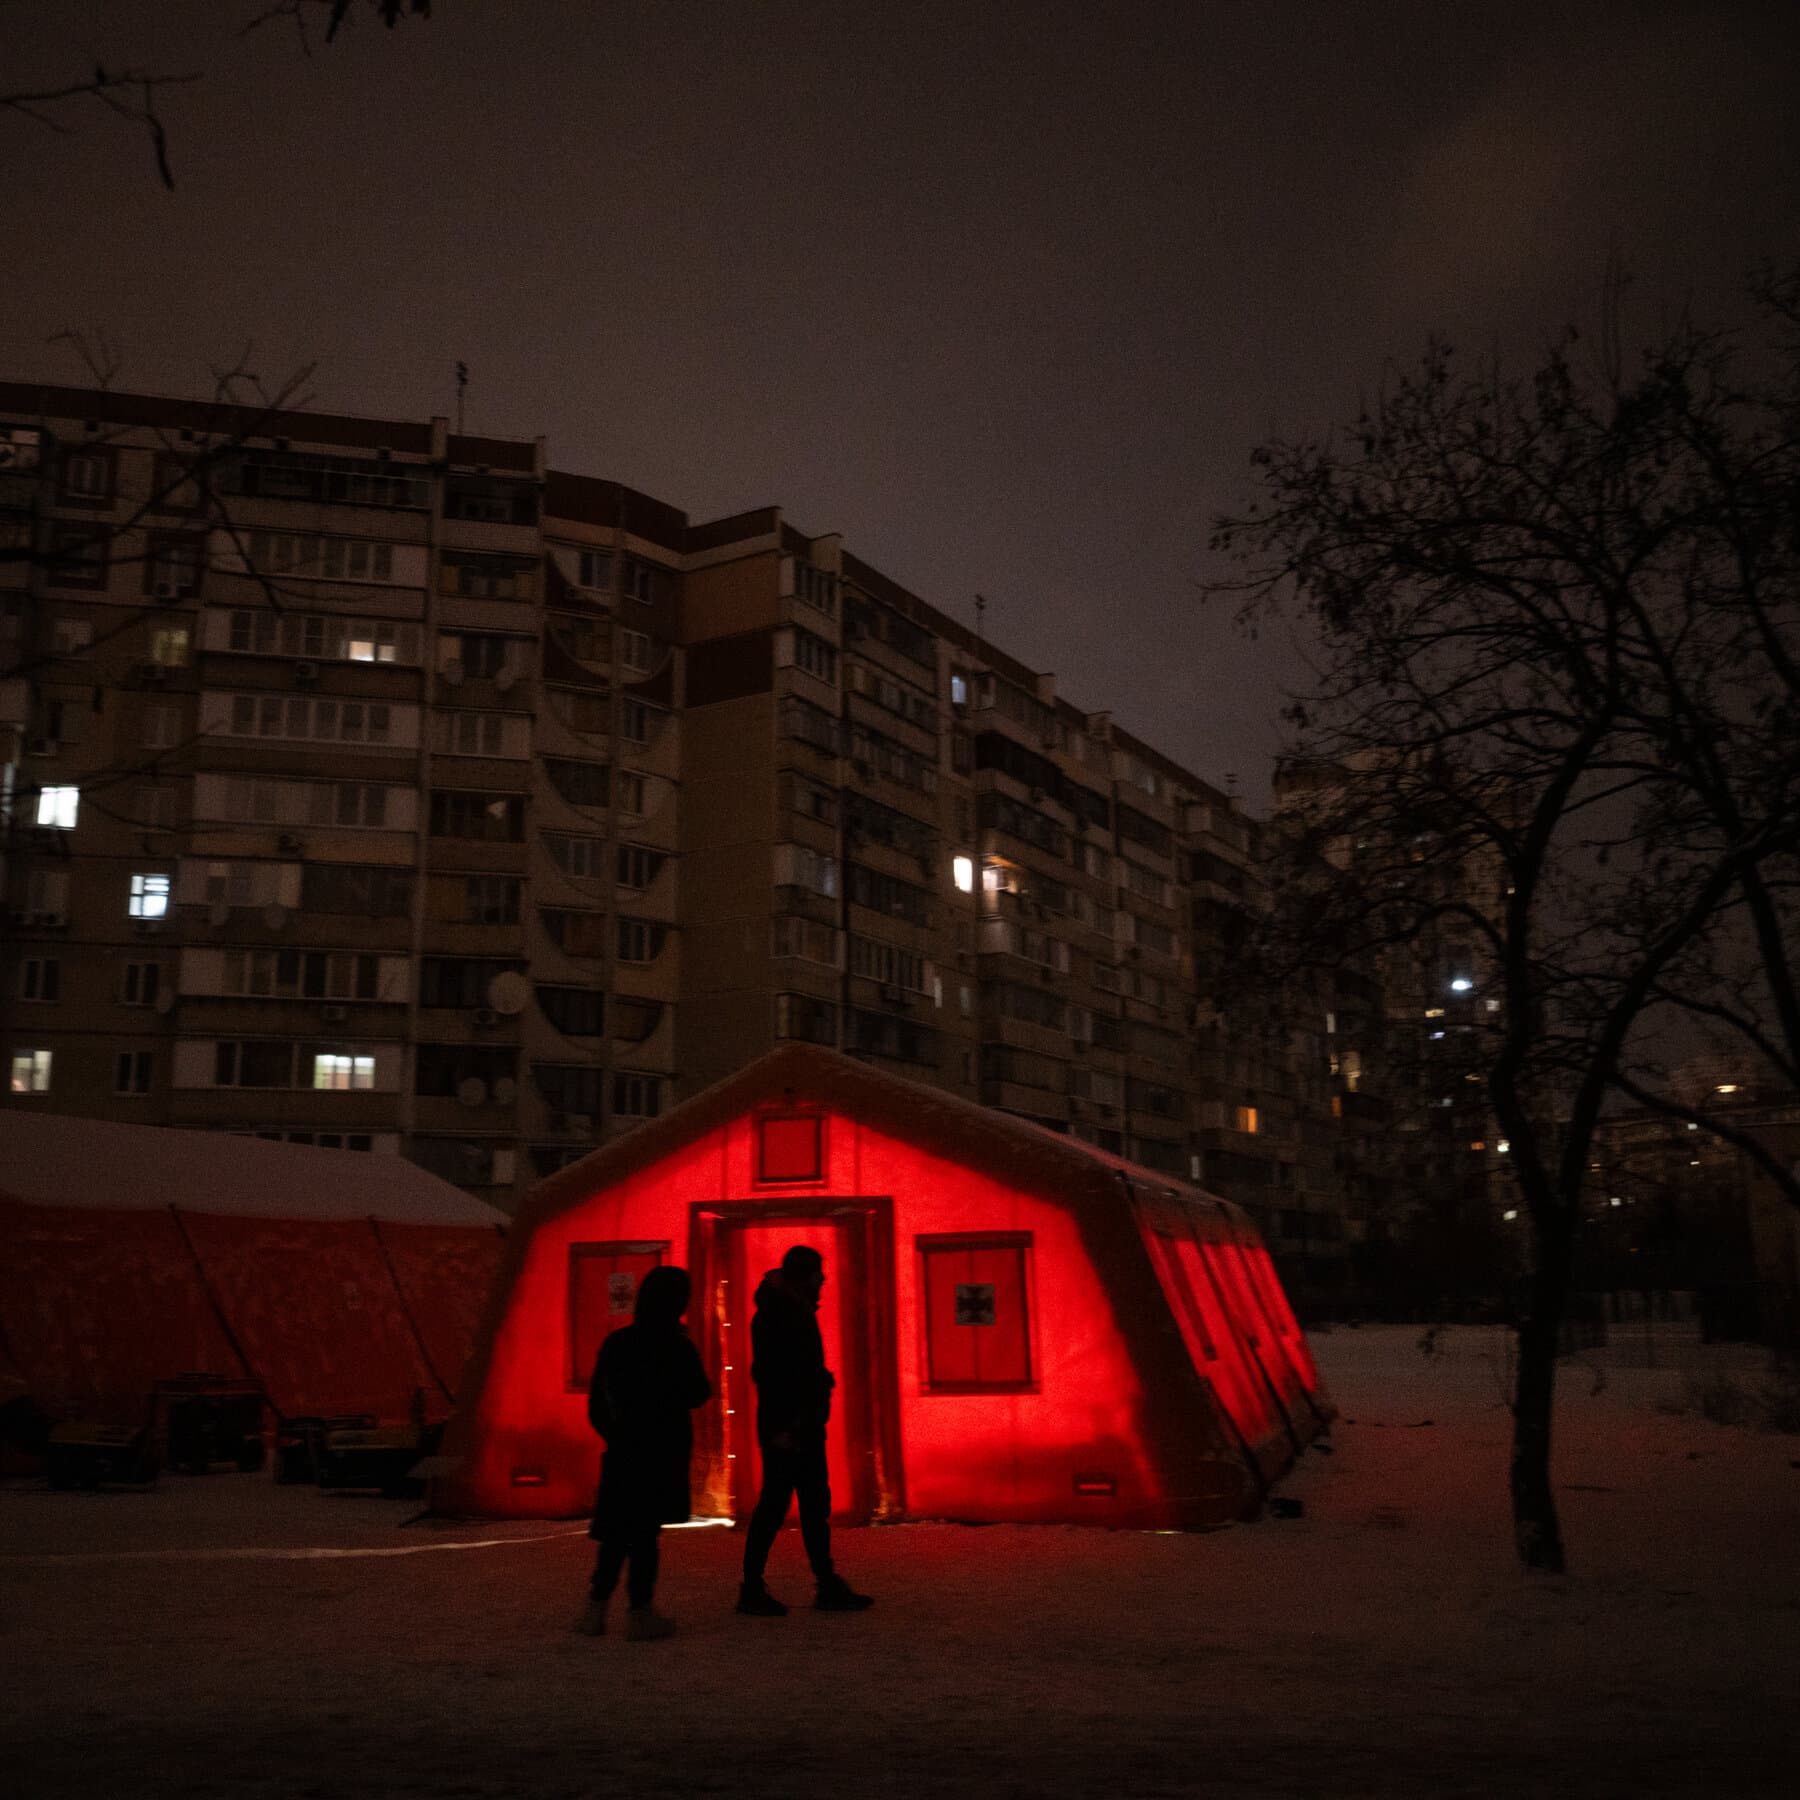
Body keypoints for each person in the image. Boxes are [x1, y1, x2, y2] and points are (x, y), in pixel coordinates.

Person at [575, 1264, 711, 1641]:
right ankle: (640, 1611)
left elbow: (597, 1406)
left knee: (615, 1533)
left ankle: (595, 1609)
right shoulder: (677, 1346)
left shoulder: (618, 1343)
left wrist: (617, 1435)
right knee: (646, 1535)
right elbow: (699, 1392)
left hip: (623, 1451)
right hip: (662, 1452)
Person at [737, 1244, 873, 1616]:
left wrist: (815, 1384)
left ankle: (810, 1583)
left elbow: (778, 1371)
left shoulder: (782, 1312)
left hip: (796, 1424)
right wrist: (791, 1423)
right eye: (817, 1272)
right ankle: (764, 1587)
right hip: (793, 1426)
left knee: (804, 1504)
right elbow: (774, 1374)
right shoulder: (784, 1315)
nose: (823, 1279)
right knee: (784, 1505)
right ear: (805, 1275)